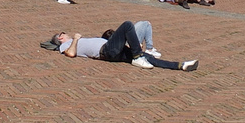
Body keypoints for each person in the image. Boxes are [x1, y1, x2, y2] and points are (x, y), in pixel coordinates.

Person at [51, 22, 198, 71]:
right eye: (63, 34)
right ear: (60, 38)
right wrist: (76, 39)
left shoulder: (73, 41)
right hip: (106, 51)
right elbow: (70, 54)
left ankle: (180, 65)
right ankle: (138, 56)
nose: (66, 34)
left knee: (149, 58)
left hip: (112, 49)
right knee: (127, 25)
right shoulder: (66, 45)